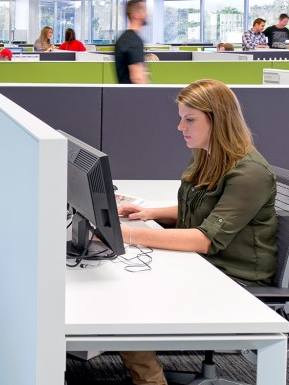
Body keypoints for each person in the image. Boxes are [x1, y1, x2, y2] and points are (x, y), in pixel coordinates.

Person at [115, 79, 277, 385]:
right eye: (181, 118)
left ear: (219, 120)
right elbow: (203, 209)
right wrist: (150, 213)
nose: (180, 127)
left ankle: (149, 380)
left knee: (128, 296)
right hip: (202, 263)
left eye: (190, 119)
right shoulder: (208, 155)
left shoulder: (250, 172)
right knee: (123, 282)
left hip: (232, 273)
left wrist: (127, 234)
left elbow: (205, 238)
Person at [114, 0, 149, 84]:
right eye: (144, 11)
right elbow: (138, 78)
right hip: (134, 95)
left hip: (125, 94)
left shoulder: (124, 38)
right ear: (135, 14)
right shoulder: (133, 40)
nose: (147, 14)